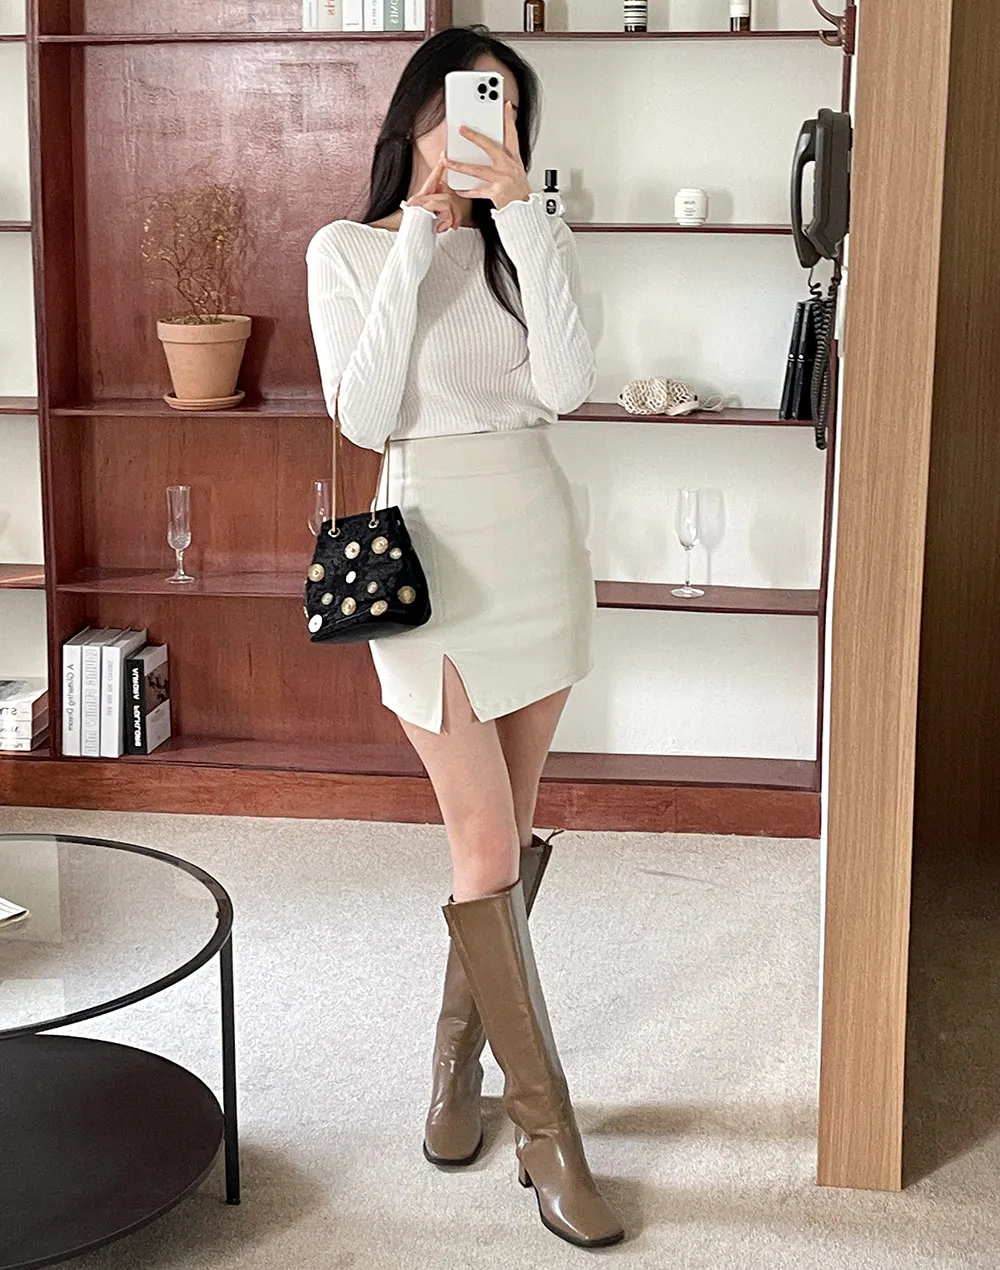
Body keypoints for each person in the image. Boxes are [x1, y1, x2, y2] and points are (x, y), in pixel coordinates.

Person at [306, 24, 623, 1250]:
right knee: (482, 839)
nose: (482, 132)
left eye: (503, 113)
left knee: (508, 840)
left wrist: (522, 217)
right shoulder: (345, 249)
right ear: (412, 122)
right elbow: (364, 412)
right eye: (461, 109)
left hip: (533, 535)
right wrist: (419, 234)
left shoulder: (530, 240)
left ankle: (454, 1073)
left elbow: (567, 386)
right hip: (426, 550)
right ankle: (548, 1139)